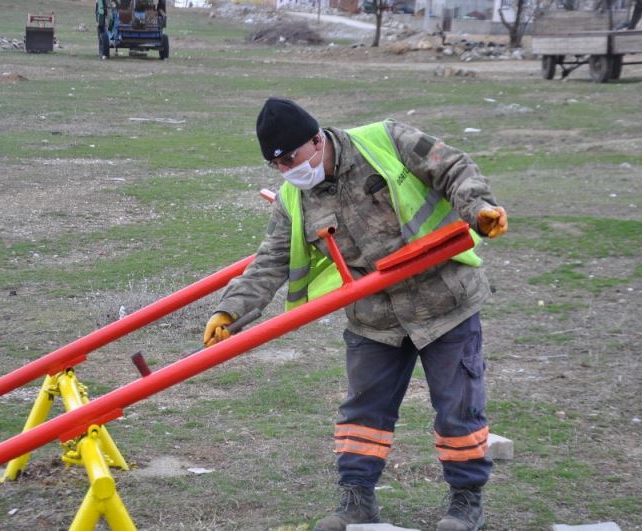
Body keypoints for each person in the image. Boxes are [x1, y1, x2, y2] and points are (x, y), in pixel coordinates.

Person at [203, 98, 508, 531]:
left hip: (444, 302)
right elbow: (270, 259)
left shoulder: (385, 140)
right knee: (363, 413)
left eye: (292, 159)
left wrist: (478, 210)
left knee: (458, 408)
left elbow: (453, 167)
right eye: (277, 166)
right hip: (374, 318)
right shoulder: (294, 198)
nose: (289, 171)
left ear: (316, 139)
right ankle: (356, 502)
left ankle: (465, 503)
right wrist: (230, 311)